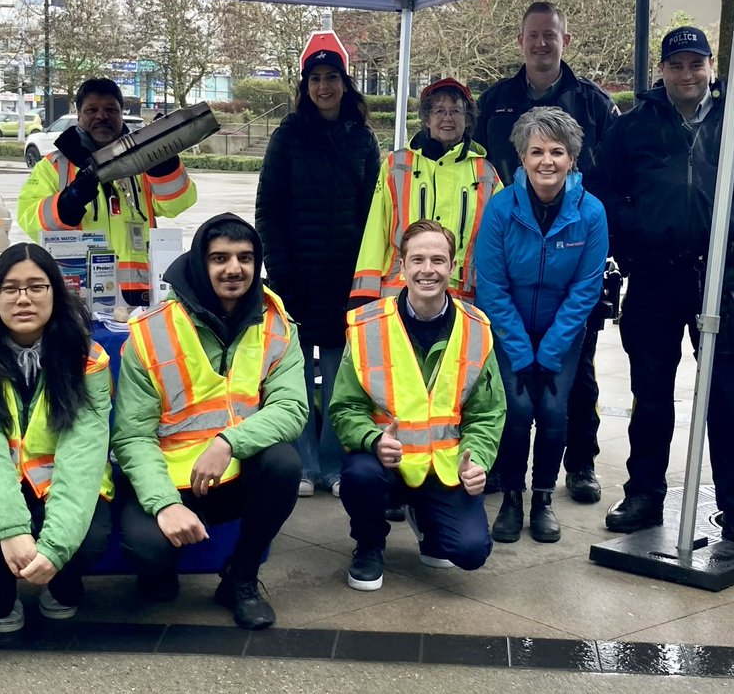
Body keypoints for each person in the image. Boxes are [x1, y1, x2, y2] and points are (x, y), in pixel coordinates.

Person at [593, 26, 734, 548]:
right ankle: (643, 495)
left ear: (710, 66)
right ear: (662, 70)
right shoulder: (633, 126)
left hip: (721, 277)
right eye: (676, 65)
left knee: (727, 401)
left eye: (695, 64)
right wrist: (634, 235)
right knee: (651, 396)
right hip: (655, 278)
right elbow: (603, 191)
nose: (687, 74)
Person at [113, 213, 307, 630]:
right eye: (219, 258)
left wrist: (228, 443)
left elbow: (291, 408)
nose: (234, 269)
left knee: (284, 464)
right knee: (149, 556)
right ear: (200, 263)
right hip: (166, 481)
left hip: (232, 473)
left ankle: (241, 578)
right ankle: (160, 571)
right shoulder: (152, 332)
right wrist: (164, 503)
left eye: (245, 258)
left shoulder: (277, 324)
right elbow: (131, 437)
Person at [474, 1, 618, 505]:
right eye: (532, 35)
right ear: (521, 41)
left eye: (550, 36)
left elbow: (619, 172)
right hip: (512, 254)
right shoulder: (493, 103)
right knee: (506, 394)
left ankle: (579, 465)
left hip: (573, 254)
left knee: (577, 384)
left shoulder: (595, 104)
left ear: (565, 41)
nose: (541, 44)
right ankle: (500, 472)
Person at [331, 220, 506, 590]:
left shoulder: (477, 328)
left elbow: (488, 412)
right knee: (359, 475)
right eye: (418, 259)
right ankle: (369, 544)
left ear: (453, 267)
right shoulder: (368, 327)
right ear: (401, 266)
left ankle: (428, 520)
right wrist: (374, 440)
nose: (428, 270)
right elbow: (344, 408)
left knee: (471, 553)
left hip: (444, 468)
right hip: (385, 465)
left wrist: (477, 460)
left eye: (439, 260)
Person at [0, 244, 112, 632]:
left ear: (56, 293)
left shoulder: (87, 358)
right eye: (10, 288)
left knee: (89, 537)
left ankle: (64, 588)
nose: (24, 299)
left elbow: (83, 454)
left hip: (62, 483)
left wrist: (55, 548)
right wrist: (12, 530)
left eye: (37, 286)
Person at [474, 107, 609, 543]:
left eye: (557, 151)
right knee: (517, 411)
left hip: (562, 333)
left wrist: (548, 354)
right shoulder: (500, 209)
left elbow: (585, 290)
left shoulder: (591, 213)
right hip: (510, 330)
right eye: (536, 152)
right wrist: (520, 352)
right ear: (522, 158)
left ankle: (543, 499)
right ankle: (512, 497)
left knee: (552, 413)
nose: (546, 161)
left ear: (572, 159)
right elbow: (492, 287)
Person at [256, 37, 381, 499]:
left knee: (339, 376)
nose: (323, 86)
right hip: (295, 277)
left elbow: (374, 212)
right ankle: (304, 463)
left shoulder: (362, 138)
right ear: (304, 86)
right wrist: (280, 268)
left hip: (344, 281)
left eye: (331, 78)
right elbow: (268, 208)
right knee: (294, 376)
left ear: (345, 84)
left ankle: (332, 462)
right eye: (315, 79)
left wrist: (365, 276)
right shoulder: (288, 134)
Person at [18, 78, 197, 305]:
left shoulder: (144, 161)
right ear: (79, 115)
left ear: (122, 113)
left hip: (142, 295)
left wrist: (164, 161)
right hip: (78, 296)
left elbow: (176, 204)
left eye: (111, 109)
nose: (101, 116)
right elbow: (29, 219)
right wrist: (67, 203)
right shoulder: (54, 166)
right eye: (92, 110)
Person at [351, 78, 501, 306]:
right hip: (398, 294)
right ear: (427, 118)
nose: (447, 118)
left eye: (456, 111)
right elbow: (375, 231)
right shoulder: (396, 165)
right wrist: (363, 295)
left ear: (468, 119)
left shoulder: (487, 175)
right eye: (439, 110)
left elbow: (495, 244)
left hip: (459, 299)